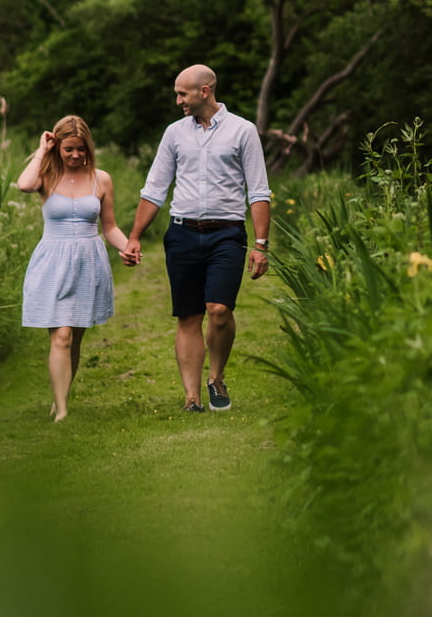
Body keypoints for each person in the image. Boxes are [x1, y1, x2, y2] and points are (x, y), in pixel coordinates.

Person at [125, 65, 271, 413]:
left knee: (219, 310)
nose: (178, 101)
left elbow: (259, 190)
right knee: (188, 316)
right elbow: (155, 189)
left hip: (227, 234)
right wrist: (134, 236)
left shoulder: (243, 131)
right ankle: (191, 398)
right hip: (182, 233)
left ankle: (216, 378)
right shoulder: (174, 134)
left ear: (205, 91)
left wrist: (261, 244)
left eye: (183, 94)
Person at [15, 115, 139, 421]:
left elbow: (108, 227)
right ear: (58, 146)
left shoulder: (102, 179)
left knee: (75, 338)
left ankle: (61, 399)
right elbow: (23, 185)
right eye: (68, 149)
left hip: (88, 261)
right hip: (52, 262)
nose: (75, 155)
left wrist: (127, 246)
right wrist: (42, 150)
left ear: (88, 148)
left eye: (81, 149)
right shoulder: (45, 174)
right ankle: (63, 412)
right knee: (61, 336)